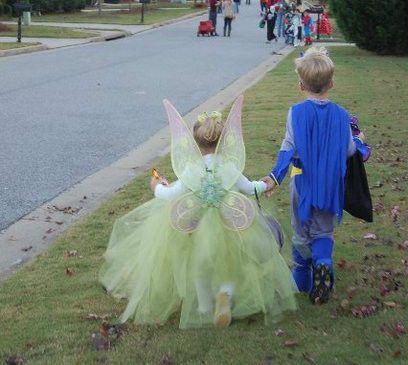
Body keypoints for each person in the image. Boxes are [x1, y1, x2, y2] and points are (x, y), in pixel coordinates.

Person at [100, 96, 297, 329]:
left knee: (200, 268)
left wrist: (157, 186)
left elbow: (169, 195)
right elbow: (249, 187)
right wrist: (267, 184)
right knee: (231, 265)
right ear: (224, 142)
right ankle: (225, 294)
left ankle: (204, 306)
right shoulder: (229, 167)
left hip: (195, 228)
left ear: (195, 143)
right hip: (230, 227)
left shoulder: (191, 170)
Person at [261, 48, 364, 305]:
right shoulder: (341, 115)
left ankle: (302, 279)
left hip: (302, 183)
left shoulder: (295, 112)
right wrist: (361, 142)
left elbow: (288, 147)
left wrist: (275, 177)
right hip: (330, 186)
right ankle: (323, 264)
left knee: (301, 230)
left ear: (300, 84)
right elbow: (350, 150)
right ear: (331, 83)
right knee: (323, 230)